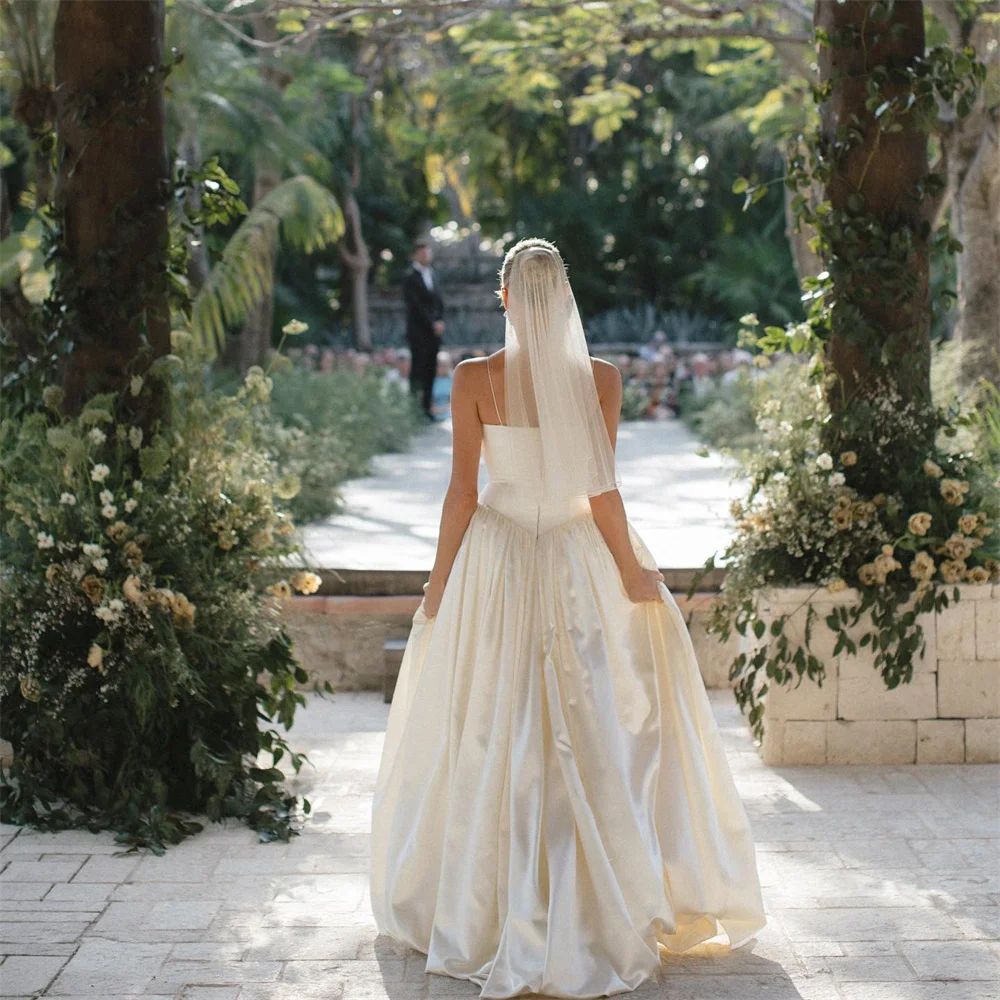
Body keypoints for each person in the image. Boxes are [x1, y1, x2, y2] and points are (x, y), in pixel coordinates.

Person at [370, 238, 765, 997]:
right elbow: (603, 490)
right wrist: (629, 570)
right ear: (566, 297)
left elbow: (461, 491)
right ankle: (593, 899)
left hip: (497, 557)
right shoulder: (603, 380)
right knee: (592, 727)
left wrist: (438, 582)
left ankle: (487, 905)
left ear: (507, 299)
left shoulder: (474, 379)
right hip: (579, 556)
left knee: (492, 720)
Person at [403, 239, 445, 420]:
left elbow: (439, 301)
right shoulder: (409, 277)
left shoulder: (433, 274)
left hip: (434, 332)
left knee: (430, 369)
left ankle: (427, 409)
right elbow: (415, 305)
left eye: (427, 252)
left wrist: (440, 321)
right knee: (418, 369)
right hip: (419, 332)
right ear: (415, 255)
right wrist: (431, 323)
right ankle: (414, 410)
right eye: (422, 253)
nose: (426, 256)